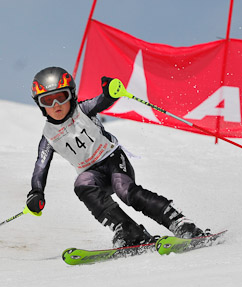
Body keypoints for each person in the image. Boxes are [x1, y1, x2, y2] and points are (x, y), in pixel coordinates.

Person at [26, 66, 209, 247]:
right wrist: (36, 192)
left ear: (72, 95)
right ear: (40, 105)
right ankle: (129, 230)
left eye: (61, 97)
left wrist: (110, 92)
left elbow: (102, 101)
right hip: (93, 175)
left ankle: (179, 222)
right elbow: (40, 167)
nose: (55, 105)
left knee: (124, 190)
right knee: (81, 183)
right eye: (47, 101)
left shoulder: (83, 110)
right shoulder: (48, 137)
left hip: (112, 159)